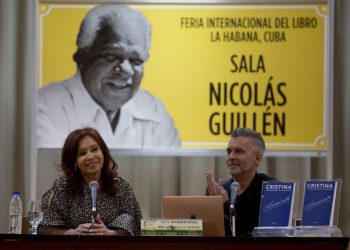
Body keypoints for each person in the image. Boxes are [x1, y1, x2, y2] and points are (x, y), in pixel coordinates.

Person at [37, 4, 180, 148]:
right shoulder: (43, 108)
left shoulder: (154, 110)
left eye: (136, 61)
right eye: (111, 56)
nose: (127, 70)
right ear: (82, 57)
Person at [38, 127, 142, 235]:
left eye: (94, 149)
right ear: (74, 161)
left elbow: (134, 226)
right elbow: (44, 228)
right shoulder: (63, 186)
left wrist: (110, 233)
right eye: (82, 153)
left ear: (103, 153)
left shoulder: (121, 186)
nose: (90, 156)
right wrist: (71, 233)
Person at [205, 127, 275, 236]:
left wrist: (226, 205)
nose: (231, 157)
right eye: (229, 151)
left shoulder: (273, 189)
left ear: (257, 158)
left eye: (238, 151)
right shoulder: (217, 191)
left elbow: (262, 232)